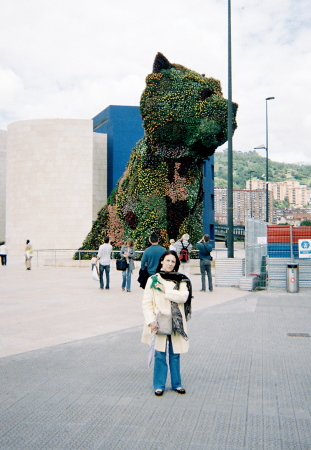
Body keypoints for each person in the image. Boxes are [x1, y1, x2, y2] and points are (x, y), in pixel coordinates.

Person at [141, 250, 192, 396]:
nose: (170, 264)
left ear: (176, 264)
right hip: (160, 321)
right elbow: (146, 303)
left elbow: (183, 297)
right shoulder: (153, 279)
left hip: (176, 321)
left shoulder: (181, 279)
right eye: (168, 260)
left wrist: (165, 290)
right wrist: (151, 322)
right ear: (162, 261)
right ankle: (159, 385)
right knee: (160, 353)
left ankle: (177, 383)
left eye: (173, 262)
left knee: (175, 353)